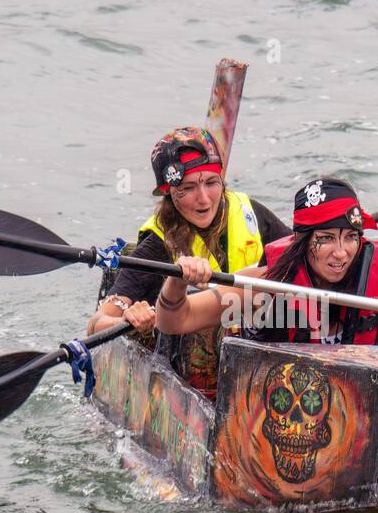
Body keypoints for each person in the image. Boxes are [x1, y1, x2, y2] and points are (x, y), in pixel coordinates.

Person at [154, 177, 378, 346]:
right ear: (301, 241)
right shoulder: (264, 287)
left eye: (350, 237)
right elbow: (174, 321)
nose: (340, 253)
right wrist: (177, 282)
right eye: (325, 239)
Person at [87, 126, 290, 396]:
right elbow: (96, 324)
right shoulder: (157, 246)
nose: (204, 199)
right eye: (188, 188)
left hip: (251, 356)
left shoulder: (251, 213)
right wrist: (128, 318)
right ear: (169, 193)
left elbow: (299, 261)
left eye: (211, 183)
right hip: (188, 369)